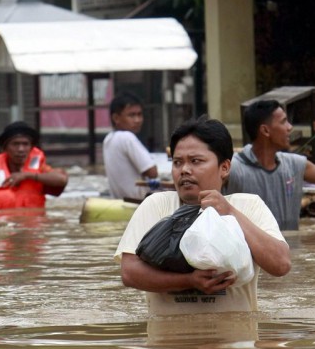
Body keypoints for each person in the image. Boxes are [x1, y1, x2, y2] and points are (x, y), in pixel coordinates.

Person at [114, 116, 291, 315]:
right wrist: (187, 281)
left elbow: (281, 265)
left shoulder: (248, 206)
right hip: (169, 343)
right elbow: (129, 273)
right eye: (177, 163)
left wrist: (230, 212)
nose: (185, 170)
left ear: (224, 167)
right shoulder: (156, 205)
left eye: (196, 161)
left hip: (235, 342)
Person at [223, 99, 315, 230]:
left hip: (290, 249)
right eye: (284, 121)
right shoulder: (233, 169)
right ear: (265, 131)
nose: (290, 127)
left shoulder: (294, 164)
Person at [0, 121, 68, 211]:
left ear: (31, 148)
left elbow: (62, 179)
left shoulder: (40, 170)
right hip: (1, 231)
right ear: (5, 148)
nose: (21, 149)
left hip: (31, 232)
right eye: (15, 144)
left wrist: (27, 176)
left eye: (25, 144)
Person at [103, 92, 158, 200]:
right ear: (116, 118)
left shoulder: (108, 139)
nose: (137, 120)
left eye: (139, 114)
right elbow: (152, 172)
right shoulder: (127, 137)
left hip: (119, 200)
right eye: (131, 115)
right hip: (136, 203)